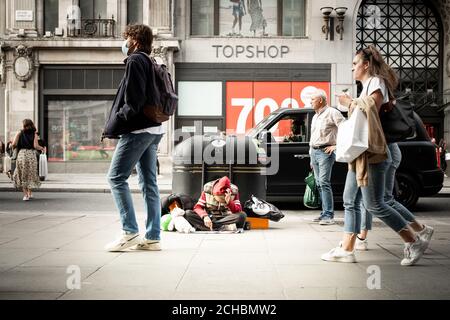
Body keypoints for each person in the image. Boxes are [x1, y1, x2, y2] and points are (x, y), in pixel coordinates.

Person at [322, 45, 433, 266]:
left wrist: (348, 103)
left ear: (366, 64)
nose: (352, 68)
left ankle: (413, 239)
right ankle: (346, 248)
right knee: (349, 199)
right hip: (363, 153)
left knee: (375, 204)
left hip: (373, 153)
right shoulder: (368, 84)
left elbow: (370, 108)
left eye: (355, 64)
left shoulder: (376, 82)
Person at [103, 24, 165, 252]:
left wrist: (115, 122)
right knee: (149, 183)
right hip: (154, 130)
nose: (125, 42)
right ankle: (153, 237)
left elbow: (134, 102)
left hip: (138, 131)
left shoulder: (135, 61)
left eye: (127, 37)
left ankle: (129, 232)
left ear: (135, 40)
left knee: (116, 178)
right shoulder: (151, 61)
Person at [309, 89, 345, 225]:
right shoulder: (315, 115)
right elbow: (312, 136)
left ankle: (329, 215)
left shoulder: (333, 112)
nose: (310, 102)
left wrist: (337, 146)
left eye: (312, 99)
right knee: (319, 184)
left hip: (325, 152)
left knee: (324, 183)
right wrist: (310, 154)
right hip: (314, 152)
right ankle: (324, 213)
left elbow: (346, 128)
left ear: (320, 100)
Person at [11, 119, 46, 200]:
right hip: (31, 155)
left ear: (24, 125)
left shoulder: (19, 133)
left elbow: (14, 144)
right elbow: (35, 146)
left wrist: (11, 147)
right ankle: (30, 194)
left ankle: (26, 195)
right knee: (30, 174)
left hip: (22, 155)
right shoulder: (35, 134)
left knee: (22, 174)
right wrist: (42, 148)